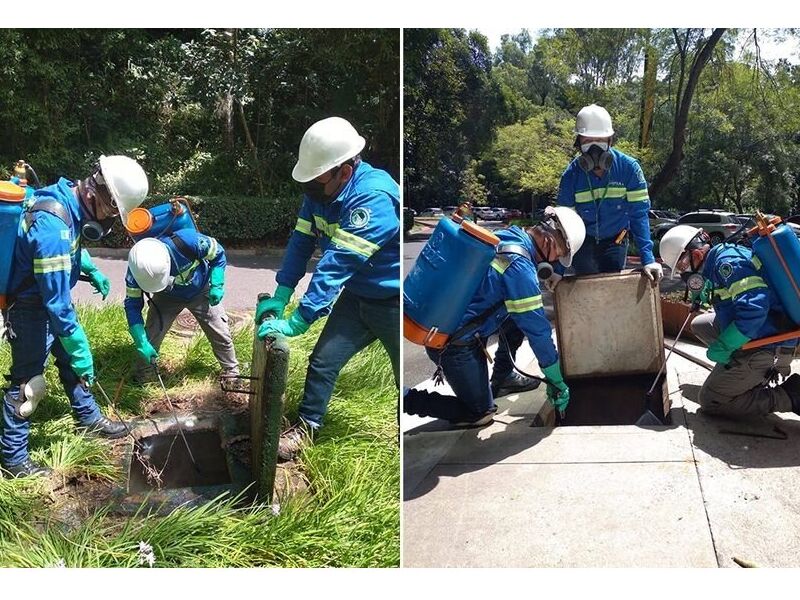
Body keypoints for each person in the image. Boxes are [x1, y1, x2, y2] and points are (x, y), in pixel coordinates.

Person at [256, 116, 400, 460]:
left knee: (401, 378)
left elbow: (337, 264)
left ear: (344, 171)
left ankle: (402, 445)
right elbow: (301, 242)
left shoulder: (373, 197)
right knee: (322, 362)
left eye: (316, 177)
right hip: (357, 298)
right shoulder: (320, 191)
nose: (310, 187)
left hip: (395, 303)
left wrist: (299, 319)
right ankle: (306, 431)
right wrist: (281, 293)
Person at [2, 155, 149, 478]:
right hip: (29, 309)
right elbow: (56, 303)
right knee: (28, 384)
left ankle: (88, 418)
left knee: (68, 363)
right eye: (113, 211)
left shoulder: (70, 201)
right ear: (100, 193)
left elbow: (71, 246)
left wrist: (89, 267)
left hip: (47, 302)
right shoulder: (52, 227)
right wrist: (80, 346)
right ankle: (13, 460)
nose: (111, 222)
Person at [404, 206, 586, 427]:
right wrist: (555, 379)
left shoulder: (510, 236)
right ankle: (406, 400)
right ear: (548, 243)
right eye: (559, 255)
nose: (556, 261)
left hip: (449, 324)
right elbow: (538, 330)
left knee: (517, 316)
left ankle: (503, 376)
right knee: (480, 412)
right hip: (454, 346)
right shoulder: (520, 268)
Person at [659, 225, 800, 419]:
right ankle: (743, 369)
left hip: (770, 343)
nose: (685, 271)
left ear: (697, 254)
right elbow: (731, 297)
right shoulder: (718, 259)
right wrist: (705, 290)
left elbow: (754, 309)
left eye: (683, 265)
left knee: (710, 401)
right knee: (700, 325)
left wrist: (725, 345)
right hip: (764, 328)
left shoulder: (727, 263)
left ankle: (788, 396)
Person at [553, 103, 662, 286]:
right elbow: (564, 225)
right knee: (586, 290)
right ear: (578, 143)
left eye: (600, 141)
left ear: (611, 140)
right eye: (587, 142)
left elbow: (639, 215)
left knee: (612, 289)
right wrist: (558, 270)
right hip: (582, 241)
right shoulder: (571, 176)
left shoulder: (629, 169)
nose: (594, 149)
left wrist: (648, 259)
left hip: (616, 238)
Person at [124, 230, 239, 383]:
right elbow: (132, 305)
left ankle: (232, 373)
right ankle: (145, 376)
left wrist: (217, 284)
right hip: (166, 298)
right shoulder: (136, 271)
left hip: (201, 290)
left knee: (220, 332)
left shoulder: (188, 241)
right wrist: (140, 341)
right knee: (151, 336)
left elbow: (217, 253)